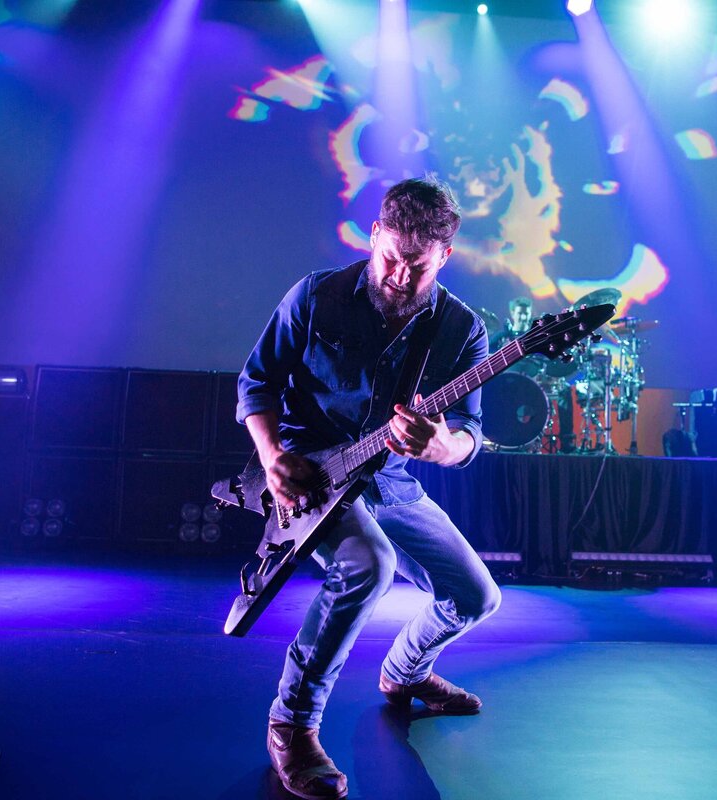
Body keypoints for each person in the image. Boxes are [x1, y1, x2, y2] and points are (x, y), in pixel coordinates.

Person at [236, 176, 501, 800]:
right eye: (391, 259)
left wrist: (438, 442)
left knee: (476, 596)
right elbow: (257, 383)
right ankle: (292, 724)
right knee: (369, 566)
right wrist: (273, 457)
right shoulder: (317, 295)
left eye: (418, 267)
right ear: (375, 235)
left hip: (390, 479)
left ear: (444, 257)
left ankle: (405, 672)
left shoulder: (463, 330)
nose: (400, 278)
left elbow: (471, 437)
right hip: (312, 474)